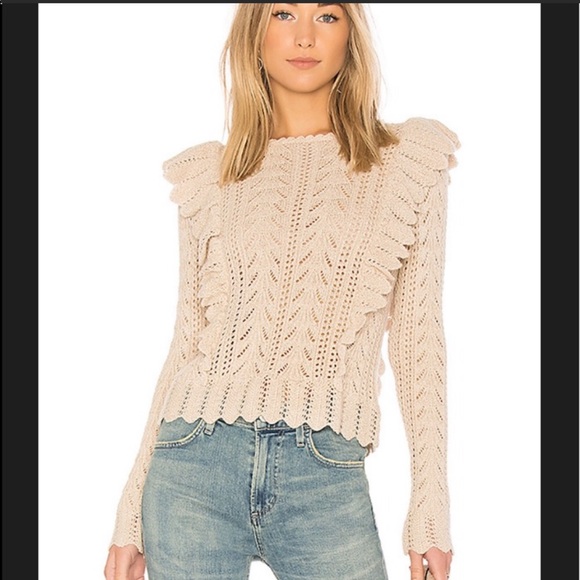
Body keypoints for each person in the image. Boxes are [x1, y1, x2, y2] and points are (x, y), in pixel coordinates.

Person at [104, 4, 459, 580]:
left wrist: (430, 507)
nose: (304, 36)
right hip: (192, 465)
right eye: (284, 13)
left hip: (326, 473)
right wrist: (130, 511)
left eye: (327, 16)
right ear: (255, 33)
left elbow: (420, 340)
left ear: (351, 36)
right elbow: (186, 343)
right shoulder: (215, 177)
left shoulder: (405, 163)